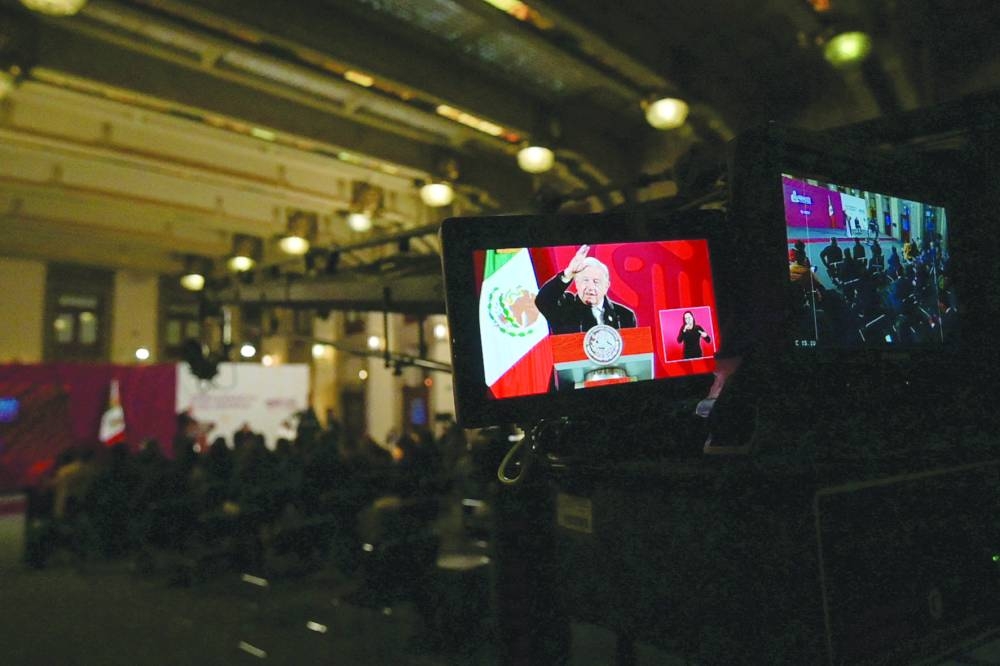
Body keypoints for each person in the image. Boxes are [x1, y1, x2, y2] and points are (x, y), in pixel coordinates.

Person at [535, 244, 636, 334]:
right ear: (577, 283)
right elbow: (543, 300)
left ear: (606, 286)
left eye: (596, 281)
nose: (591, 287)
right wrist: (568, 273)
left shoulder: (624, 315)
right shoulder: (564, 307)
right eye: (585, 280)